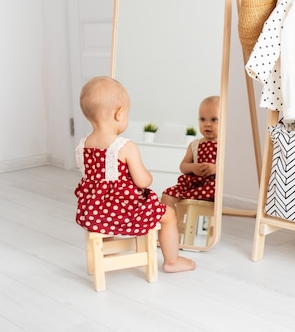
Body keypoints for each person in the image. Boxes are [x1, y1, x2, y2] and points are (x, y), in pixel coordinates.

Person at [73, 76, 195, 273]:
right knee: (169, 214)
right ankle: (172, 261)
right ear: (120, 114)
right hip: (126, 212)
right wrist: (148, 177)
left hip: (96, 213)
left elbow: (90, 180)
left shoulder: (83, 145)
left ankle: (109, 253)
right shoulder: (124, 146)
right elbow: (142, 181)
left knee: (105, 207)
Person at [162, 95, 219, 209]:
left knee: (221, 191)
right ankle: (171, 225)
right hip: (194, 185)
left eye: (213, 119)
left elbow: (231, 170)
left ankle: (215, 226)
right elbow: (183, 166)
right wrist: (193, 168)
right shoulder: (194, 145)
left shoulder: (225, 145)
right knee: (167, 195)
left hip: (214, 186)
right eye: (203, 119)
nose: (207, 124)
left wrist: (215, 168)